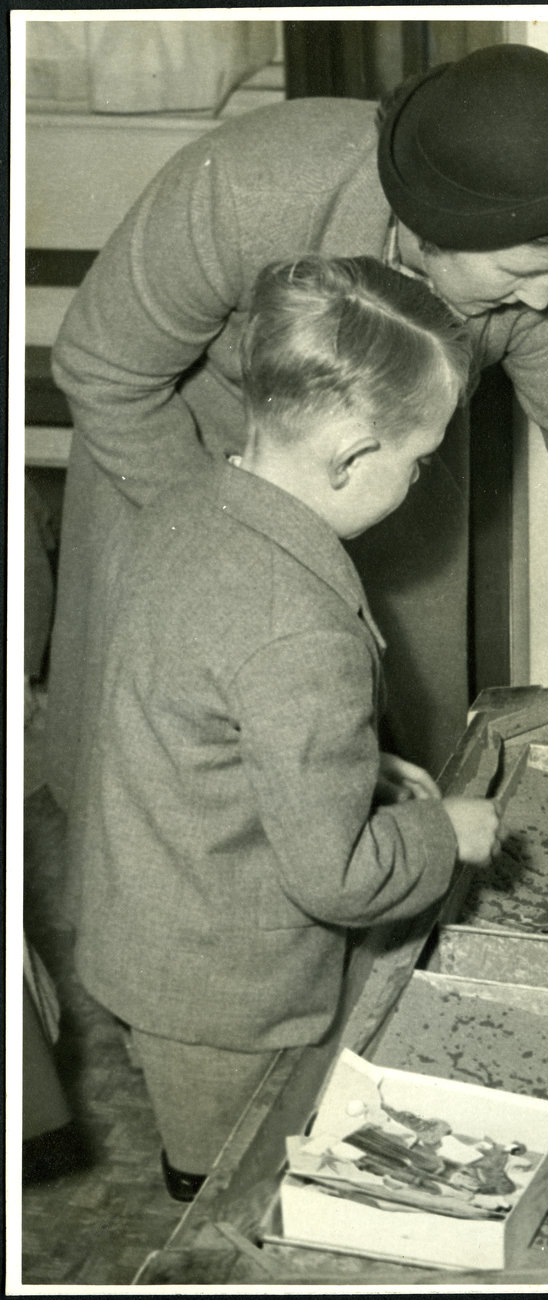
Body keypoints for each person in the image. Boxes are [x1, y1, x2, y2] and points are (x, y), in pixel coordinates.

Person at [48, 41, 548, 884]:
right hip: (172, 455)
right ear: (424, 235)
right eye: (520, 277)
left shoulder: (539, 262)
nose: (542, 302)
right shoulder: (249, 181)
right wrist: (255, 557)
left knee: (389, 779)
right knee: (164, 793)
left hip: (386, 477)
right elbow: (104, 368)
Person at [71, 255, 500, 1200]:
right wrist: (444, 832)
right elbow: (340, 876)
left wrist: (357, 760)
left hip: (154, 923)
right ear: (350, 456)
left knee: (207, 1153)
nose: (423, 476)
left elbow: (199, 712)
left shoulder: (189, 504)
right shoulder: (299, 625)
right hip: (233, 990)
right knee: (229, 1192)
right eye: (419, 457)